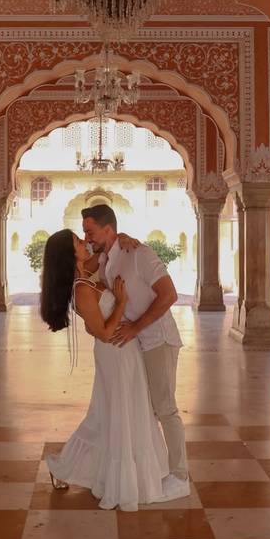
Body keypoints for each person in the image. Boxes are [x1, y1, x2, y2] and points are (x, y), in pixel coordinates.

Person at [40, 229, 168, 511]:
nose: (85, 242)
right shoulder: (83, 288)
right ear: (69, 255)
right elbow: (105, 333)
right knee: (113, 413)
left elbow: (105, 250)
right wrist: (121, 303)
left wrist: (123, 237)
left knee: (108, 415)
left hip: (126, 352)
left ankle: (64, 467)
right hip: (115, 352)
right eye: (77, 242)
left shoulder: (88, 271)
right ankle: (66, 467)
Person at [82, 204, 190, 500]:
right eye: (84, 231)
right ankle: (156, 471)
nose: (86, 236)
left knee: (165, 408)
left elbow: (169, 295)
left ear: (108, 229)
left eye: (90, 231)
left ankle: (180, 476)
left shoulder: (140, 254)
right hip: (137, 345)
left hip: (158, 340)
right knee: (147, 409)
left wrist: (135, 327)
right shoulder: (105, 262)